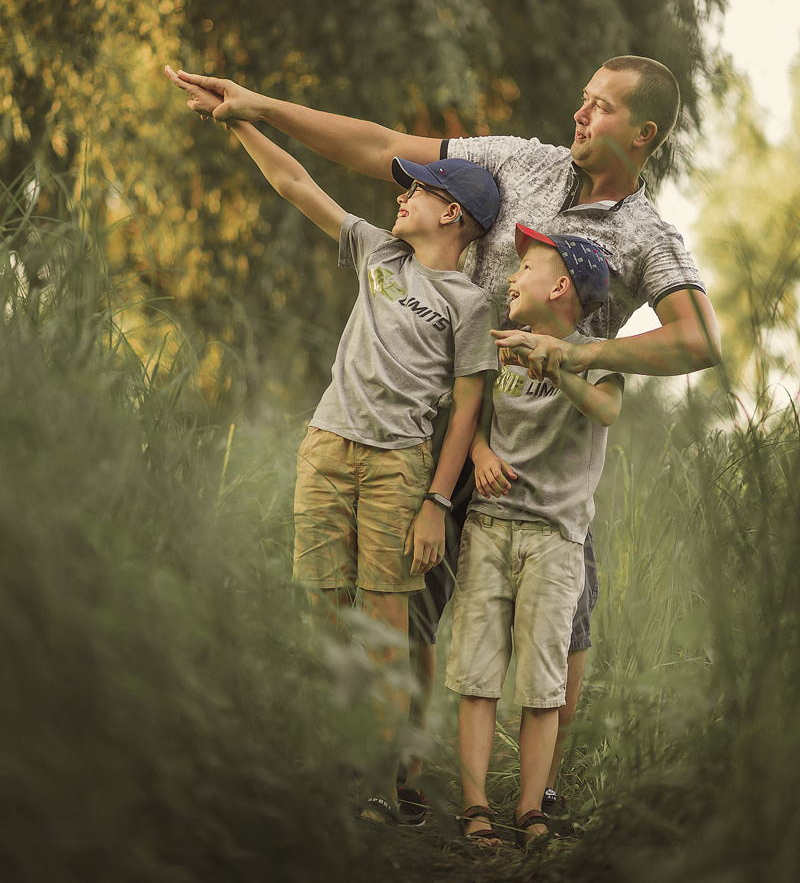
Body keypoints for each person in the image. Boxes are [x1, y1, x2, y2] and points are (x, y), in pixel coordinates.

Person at [165, 55, 722, 809]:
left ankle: (540, 797)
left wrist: (583, 355)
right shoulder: (521, 160)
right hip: (444, 434)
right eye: (583, 99)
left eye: (603, 107)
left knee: (567, 626)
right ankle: (399, 774)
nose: (581, 113)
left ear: (644, 133)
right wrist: (258, 107)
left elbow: (697, 340)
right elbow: (381, 146)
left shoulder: (647, 236)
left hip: (544, 459)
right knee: (408, 605)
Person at [165, 64, 500, 822]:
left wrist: (436, 503)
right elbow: (295, 184)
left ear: (451, 213)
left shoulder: (470, 303)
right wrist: (239, 120)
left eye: (415, 191)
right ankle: (345, 756)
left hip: (397, 468)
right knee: (324, 611)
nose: (399, 197)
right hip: (326, 447)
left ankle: (380, 781)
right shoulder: (378, 253)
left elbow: (466, 410)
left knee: (384, 624)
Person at [448, 224, 622, 849]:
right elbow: (473, 415)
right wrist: (480, 454)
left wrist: (554, 362)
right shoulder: (499, 344)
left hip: (555, 540)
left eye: (526, 268)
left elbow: (605, 410)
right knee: (477, 675)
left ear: (560, 287)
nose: (512, 276)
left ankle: (530, 811)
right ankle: (474, 809)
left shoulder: (599, 356)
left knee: (542, 685)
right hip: (490, 527)